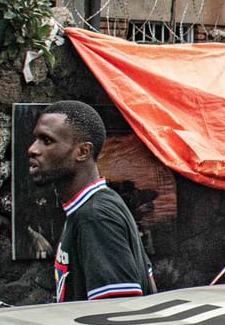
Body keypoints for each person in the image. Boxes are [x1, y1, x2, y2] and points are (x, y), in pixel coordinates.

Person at [27, 100, 155, 303]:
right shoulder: (89, 208)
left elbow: (116, 313)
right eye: (36, 139)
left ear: (83, 152)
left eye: (47, 141)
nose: (33, 149)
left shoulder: (96, 216)